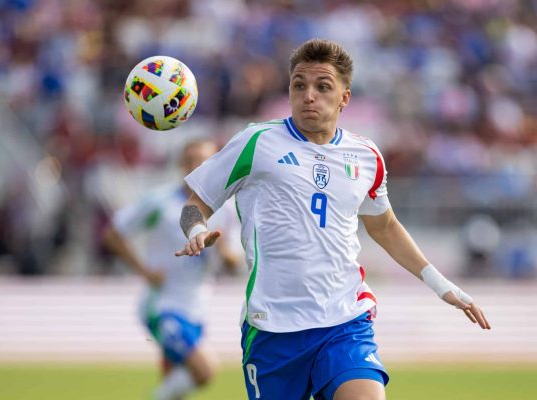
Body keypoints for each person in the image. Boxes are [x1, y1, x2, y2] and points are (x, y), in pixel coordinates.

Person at [175, 39, 491, 400]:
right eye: (299, 85)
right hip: (272, 328)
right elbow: (195, 203)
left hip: (345, 320)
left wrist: (441, 285)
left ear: (345, 98)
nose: (309, 95)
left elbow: (384, 225)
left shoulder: (367, 155)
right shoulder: (256, 142)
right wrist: (196, 229)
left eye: (323, 86)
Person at [104, 139, 242, 400]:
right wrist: (143, 271)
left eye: (204, 160)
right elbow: (114, 233)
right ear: (181, 164)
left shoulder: (227, 210)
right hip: (162, 304)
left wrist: (225, 253)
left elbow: (234, 262)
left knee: (175, 385)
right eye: (190, 160)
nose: (197, 166)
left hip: (197, 306)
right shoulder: (160, 202)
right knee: (205, 370)